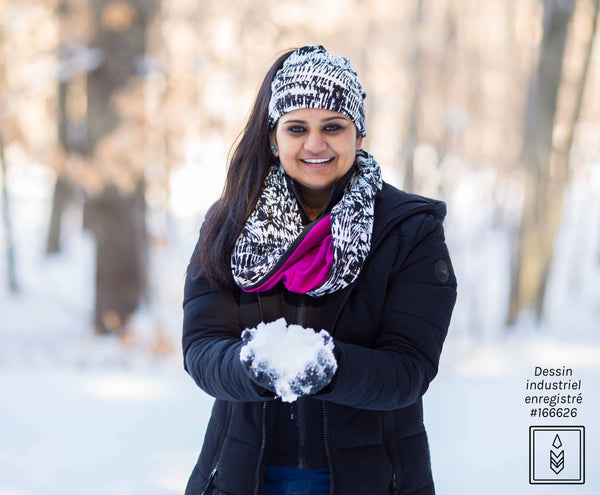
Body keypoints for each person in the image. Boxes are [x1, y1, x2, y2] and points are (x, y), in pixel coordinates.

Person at [182, 45, 457, 495]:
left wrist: (330, 368)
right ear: (274, 138)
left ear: (358, 134)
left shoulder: (409, 230)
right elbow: (202, 346)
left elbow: (410, 368)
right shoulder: (231, 222)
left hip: (370, 480)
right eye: (297, 129)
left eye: (333, 126)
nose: (315, 144)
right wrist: (250, 366)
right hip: (244, 476)